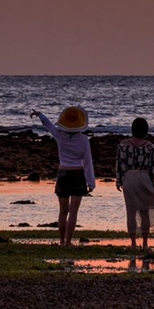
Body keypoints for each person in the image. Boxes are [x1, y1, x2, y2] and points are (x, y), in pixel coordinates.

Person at [31, 106, 96, 248]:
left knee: (63, 211)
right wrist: (91, 182)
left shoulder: (59, 135)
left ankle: (61, 241)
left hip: (63, 173)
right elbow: (87, 161)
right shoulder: (84, 140)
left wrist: (40, 114)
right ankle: (68, 242)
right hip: (78, 174)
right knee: (73, 212)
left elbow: (48, 125)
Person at [114, 117, 154, 254]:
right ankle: (145, 243)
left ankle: (133, 243)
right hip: (144, 176)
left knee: (131, 211)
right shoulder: (150, 147)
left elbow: (119, 164)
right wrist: (153, 184)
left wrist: (119, 180)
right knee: (144, 212)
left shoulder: (123, 145)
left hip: (129, 177)